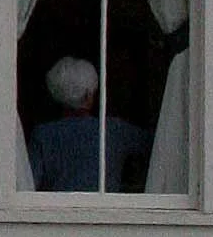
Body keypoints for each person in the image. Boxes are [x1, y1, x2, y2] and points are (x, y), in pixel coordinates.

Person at [25, 55, 149, 193]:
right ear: (89, 96)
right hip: (106, 211)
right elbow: (159, 145)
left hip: (58, 212)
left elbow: (28, 184)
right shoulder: (114, 130)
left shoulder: (43, 134)